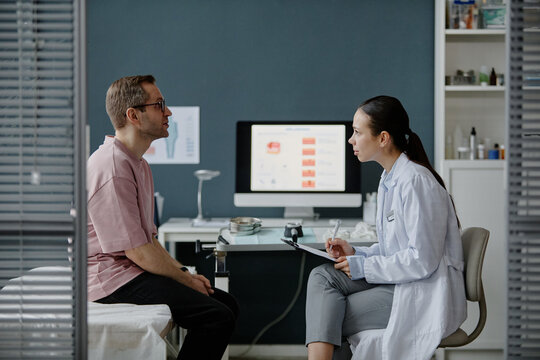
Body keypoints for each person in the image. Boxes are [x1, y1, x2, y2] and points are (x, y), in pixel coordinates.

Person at [87, 75, 238, 360]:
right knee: (216, 316)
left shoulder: (136, 163)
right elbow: (138, 252)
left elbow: (148, 240)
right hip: (109, 280)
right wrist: (186, 279)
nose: (168, 112)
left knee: (226, 304)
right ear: (133, 115)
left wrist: (184, 273)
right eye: (159, 105)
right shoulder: (112, 167)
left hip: (128, 269)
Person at [305, 96, 466, 360]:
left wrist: (363, 267)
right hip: (401, 283)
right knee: (322, 277)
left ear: (383, 138)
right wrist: (357, 253)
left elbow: (421, 260)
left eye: (357, 132)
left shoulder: (415, 182)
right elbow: (395, 249)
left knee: (330, 313)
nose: (351, 140)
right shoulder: (389, 178)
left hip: (423, 293)